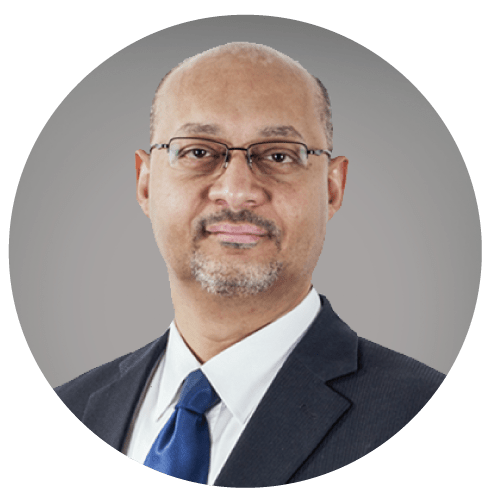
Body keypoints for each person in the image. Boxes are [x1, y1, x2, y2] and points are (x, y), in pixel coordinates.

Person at [55, 42, 445, 487]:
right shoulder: (67, 413)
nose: (237, 191)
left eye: (279, 155)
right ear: (145, 184)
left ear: (332, 188)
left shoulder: (428, 419)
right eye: (198, 152)